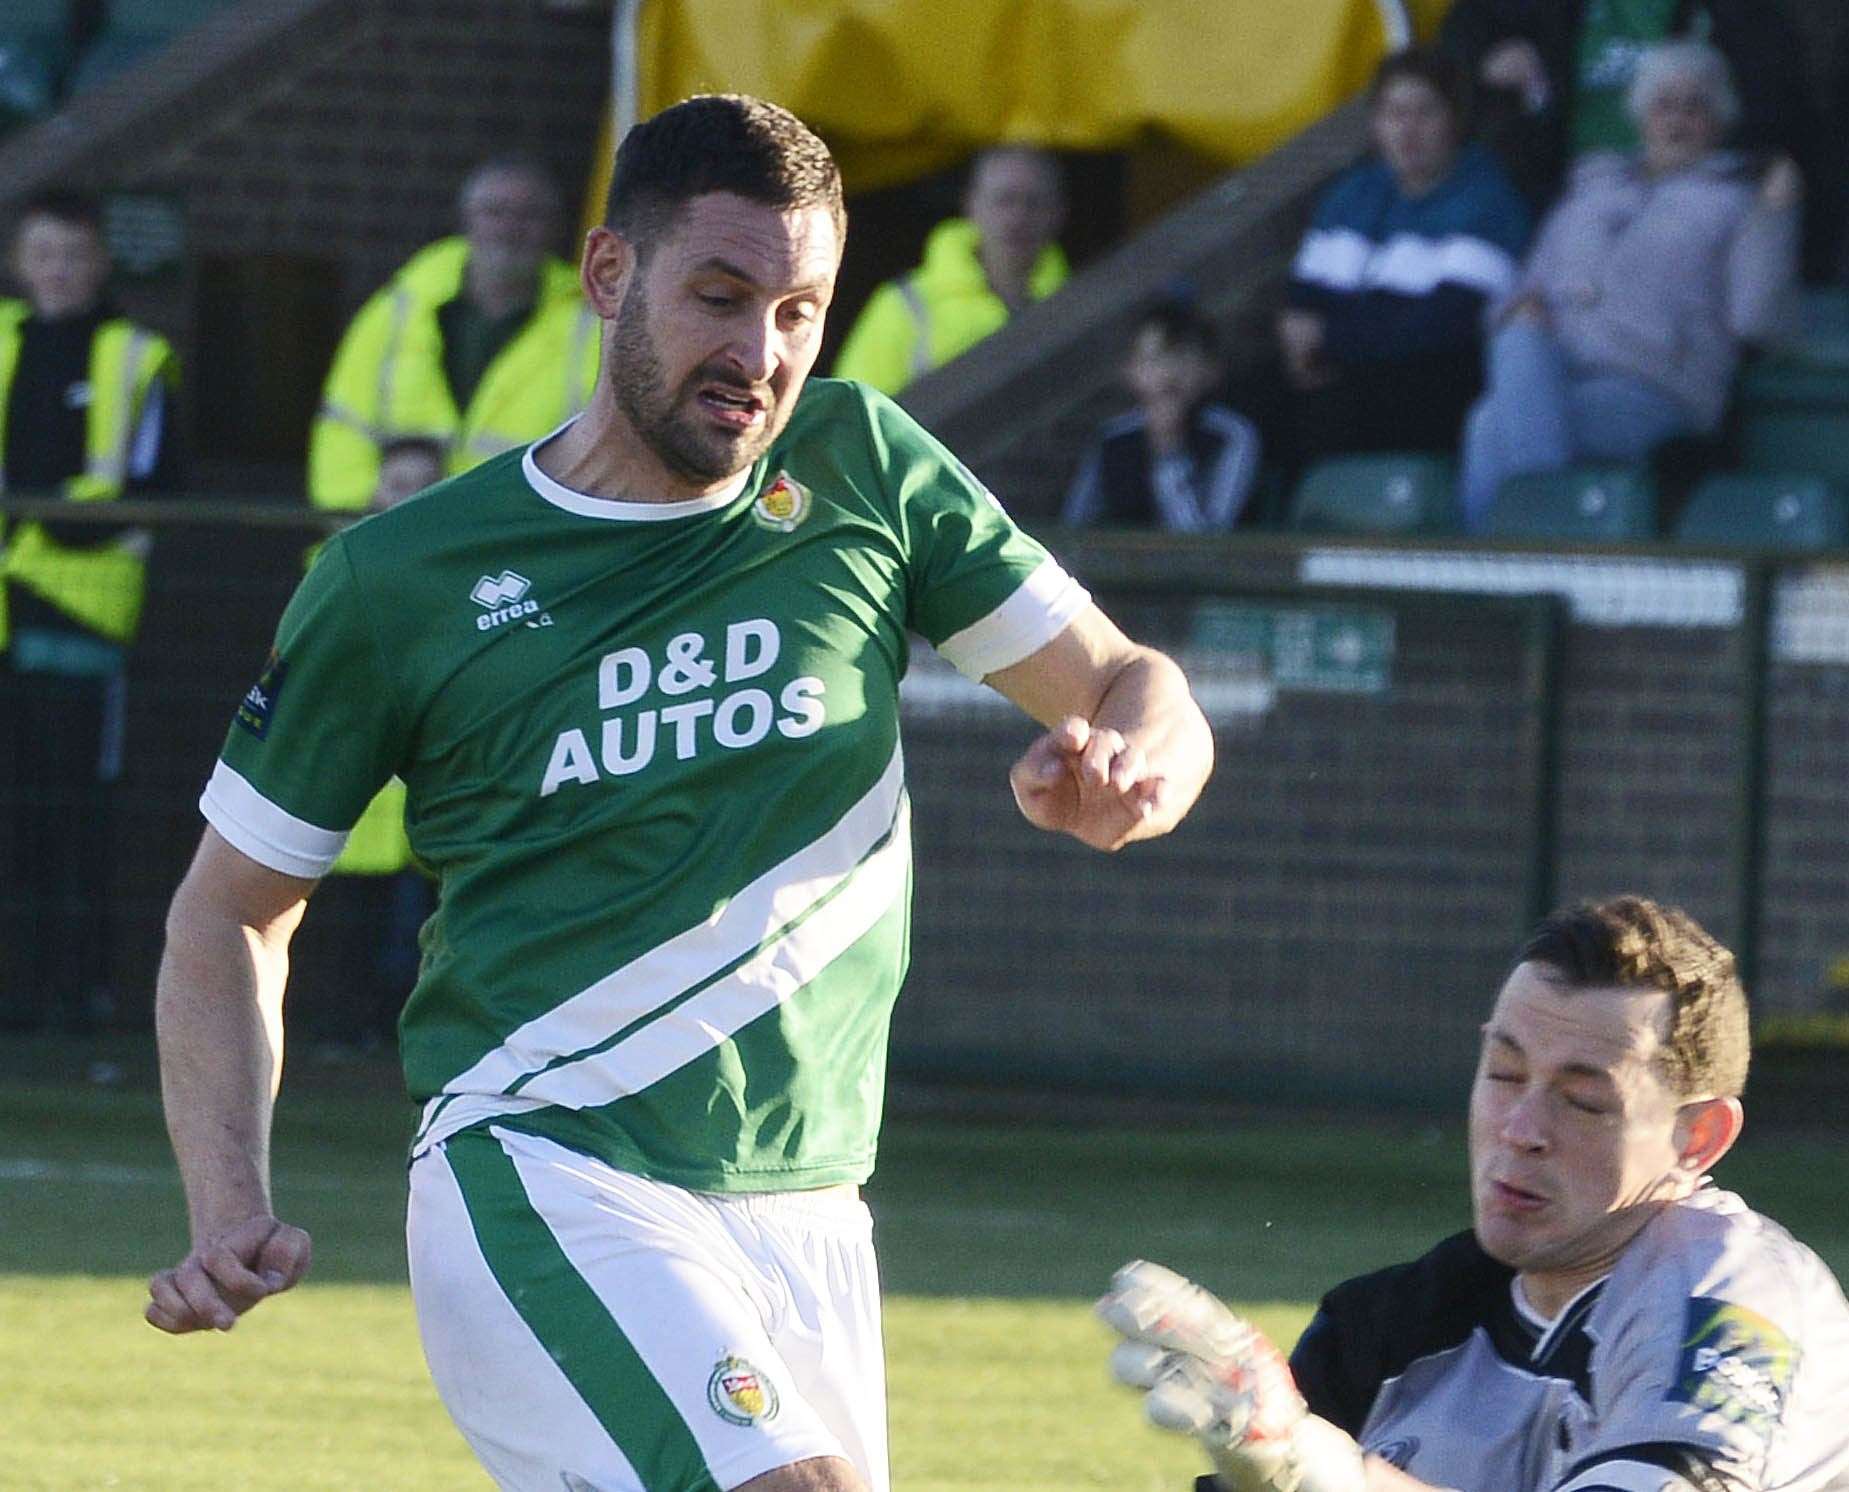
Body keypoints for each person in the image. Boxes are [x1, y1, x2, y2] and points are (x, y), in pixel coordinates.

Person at [144, 93, 1214, 1492]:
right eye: (720, 297)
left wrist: (1137, 777)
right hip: (544, 1166)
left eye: (799, 309)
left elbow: (1135, 683)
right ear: (607, 277)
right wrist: (230, 1202)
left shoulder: (863, 470)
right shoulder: (399, 582)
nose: (759, 352)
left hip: (813, 1205)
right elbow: (227, 913)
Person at [1098, 895, 1849, 1492]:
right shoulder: (1391, 1329)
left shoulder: (1729, 1300)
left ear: (1698, 1139)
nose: (1519, 1128)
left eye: (1583, 1101)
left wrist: (1327, 1473)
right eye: (1503, 1073)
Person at [1460, 41, 1800, 531]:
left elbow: (1759, 321)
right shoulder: (1592, 185)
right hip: (1556, 370)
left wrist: (1776, 214)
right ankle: (1537, 546)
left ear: (1721, 121)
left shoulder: (1739, 201)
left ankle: (1508, 560)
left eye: (1696, 105)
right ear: (1641, 116)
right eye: (1664, 104)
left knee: (1492, 423)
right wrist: (1520, 310)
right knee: (1515, 340)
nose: (1678, 118)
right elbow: (1525, 283)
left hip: (1657, 388)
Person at [0, 189, 179, 1032]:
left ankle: (69, 997)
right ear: (18, 263)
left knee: (75, 816)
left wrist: (37, 519)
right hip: (8, 619)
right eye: (44, 255)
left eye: (73, 255)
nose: (59, 271)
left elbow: (145, 489)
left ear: (101, 261)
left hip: (85, 623)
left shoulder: (136, 356)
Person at [1278, 47, 1531, 469]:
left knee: (1334, 410)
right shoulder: (1353, 194)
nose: (1407, 130)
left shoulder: (1487, 200)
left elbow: (1447, 324)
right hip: (1345, 368)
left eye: (1425, 113)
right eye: (1394, 114)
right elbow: (1304, 295)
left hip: (1433, 386)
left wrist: (1328, 340)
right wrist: (1298, 340)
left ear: (1455, 120)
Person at [307, 155, 600, 510]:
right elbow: (342, 428)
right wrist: (371, 495)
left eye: (530, 215)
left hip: (519, 545)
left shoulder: (592, 324)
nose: (511, 227)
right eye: (495, 212)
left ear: (556, 227)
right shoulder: (399, 308)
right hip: (398, 538)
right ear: (466, 220)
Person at [1437, 0, 1817, 226]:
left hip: (1687, 199)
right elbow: (1461, 30)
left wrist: (1761, 161)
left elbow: (1772, 92)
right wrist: (1485, 57)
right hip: (1567, 195)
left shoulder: (1732, 10)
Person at [832, 145, 1067, 394]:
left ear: (1059, 212)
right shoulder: (904, 304)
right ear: (970, 205)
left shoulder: (1076, 306)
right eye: (1004, 200)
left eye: (1034, 203)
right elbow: (850, 414)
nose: (1018, 217)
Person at [1062, 300, 1261, 531]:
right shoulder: (1112, 438)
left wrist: (1169, 452)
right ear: (1130, 370)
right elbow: (1074, 527)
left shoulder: (1231, 435)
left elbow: (1206, 545)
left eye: (1182, 358)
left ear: (1210, 369)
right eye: (1155, 359)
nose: (1169, 374)